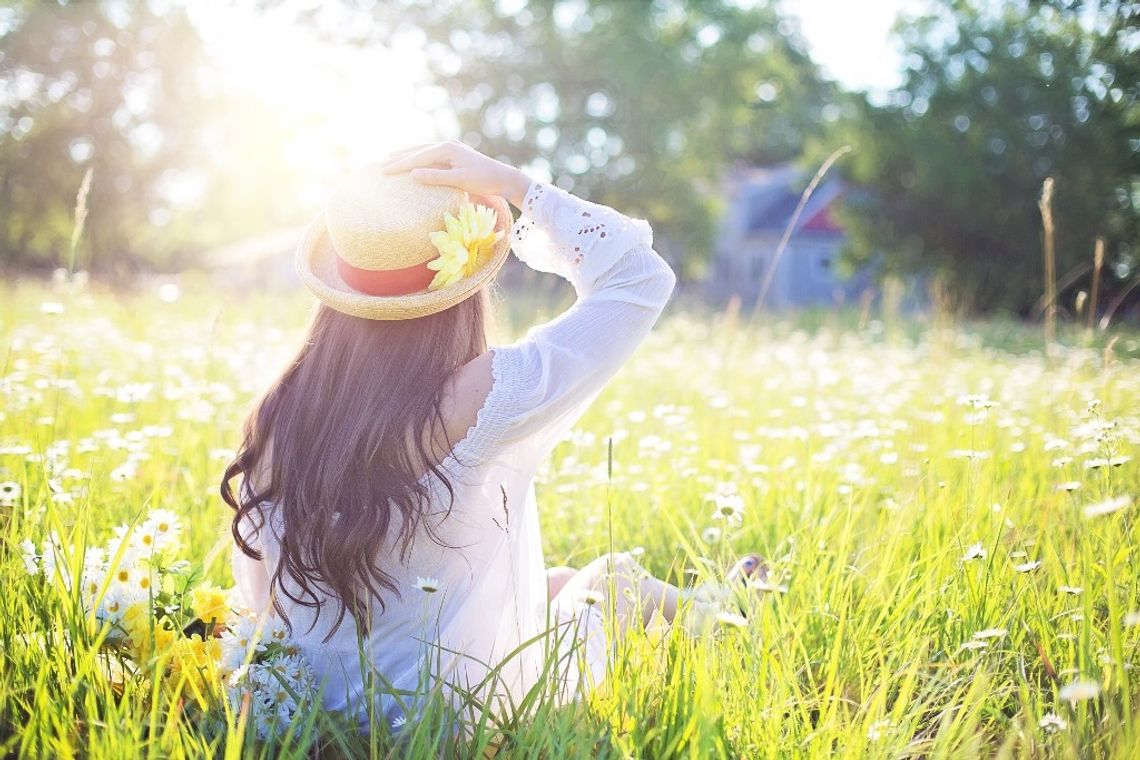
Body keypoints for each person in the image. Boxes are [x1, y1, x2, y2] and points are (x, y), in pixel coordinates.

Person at [220, 140, 765, 739]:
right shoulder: (474, 396)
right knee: (612, 581)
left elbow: (263, 592)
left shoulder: (280, 409)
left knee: (550, 580)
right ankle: (725, 611)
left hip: (312, 702)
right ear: (461, 289)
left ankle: (719, 600)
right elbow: (639, 279)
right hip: (451, 714)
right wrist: (517, 185)